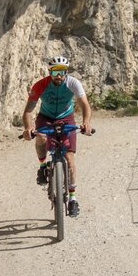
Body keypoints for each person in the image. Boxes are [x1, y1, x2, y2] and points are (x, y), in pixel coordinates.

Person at [21, 56, 93, 217]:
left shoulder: (73, 83)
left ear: (66, 72)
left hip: (66, 118)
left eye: (62, 72)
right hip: (45, 118)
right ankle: (42, 166)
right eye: (55, 72)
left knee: (70, 159)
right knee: (40, 137)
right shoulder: (40, 85)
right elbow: (28, 111)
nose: (58, 76)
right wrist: (28, 128)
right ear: (50, 72)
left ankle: (73, 198)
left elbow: (85, 105)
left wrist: (86, 123)